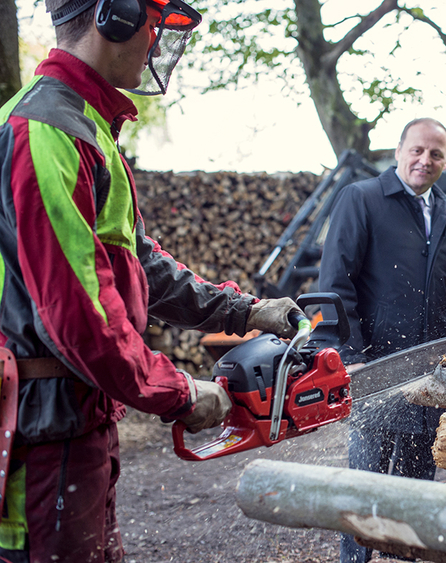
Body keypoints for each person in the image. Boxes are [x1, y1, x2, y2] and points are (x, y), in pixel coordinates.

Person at [0, 1, 303, 561]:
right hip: (42, 433)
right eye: (151, 27)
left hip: (76, 418)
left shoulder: (85, 126)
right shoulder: (45, 130)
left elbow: (141, 266)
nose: (156, 46)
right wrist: (178, 392)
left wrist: (244, 311)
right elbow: (78, 314)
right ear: (111, 16)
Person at [318, 117, 446, 563]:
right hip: (375, 372)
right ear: (399, 151)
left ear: (445, 161)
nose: (425, 160)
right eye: (417, 150)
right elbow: (333, 285)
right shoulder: (361, 199)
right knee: (367, 491)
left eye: (436, 154)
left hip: (429, 376)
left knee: (417, 496)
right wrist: (348, 356)